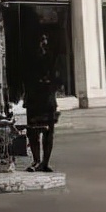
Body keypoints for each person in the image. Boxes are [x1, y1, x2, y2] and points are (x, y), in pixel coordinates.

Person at [22, 32, 60, 172]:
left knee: (49, 132)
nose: (43, 43)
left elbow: (57, 74)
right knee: (33, 131)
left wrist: (52, 82)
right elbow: (26, 76)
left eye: (45, 39)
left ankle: (45, 161)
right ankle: (36, 160)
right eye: (41, 39)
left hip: (48, 99)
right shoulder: (30, 57)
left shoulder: (51, 56)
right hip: (34, 98)